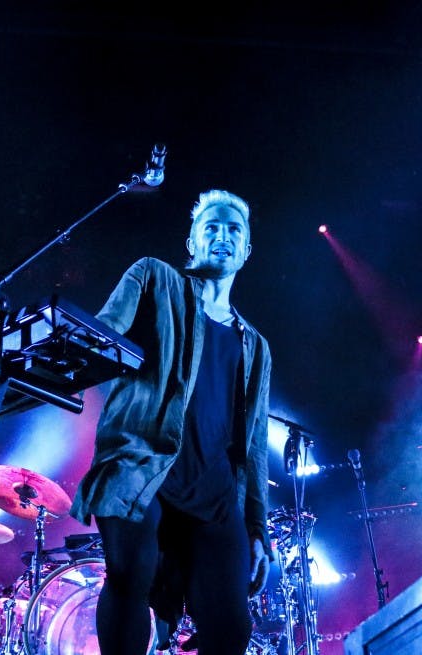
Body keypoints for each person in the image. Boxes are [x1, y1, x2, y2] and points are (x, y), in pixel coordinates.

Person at [70, 189, 273, 655]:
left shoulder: (256, 346)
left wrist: (257, 529)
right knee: (129, 574)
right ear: (193, 242)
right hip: (142, 464)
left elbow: (255, 446)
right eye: (212, 228)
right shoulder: (154, 278)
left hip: (215, 492)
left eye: (234, 230)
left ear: (246, 250)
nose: (223, 236)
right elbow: (104, 333)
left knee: (230, 628)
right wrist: (67, 343)